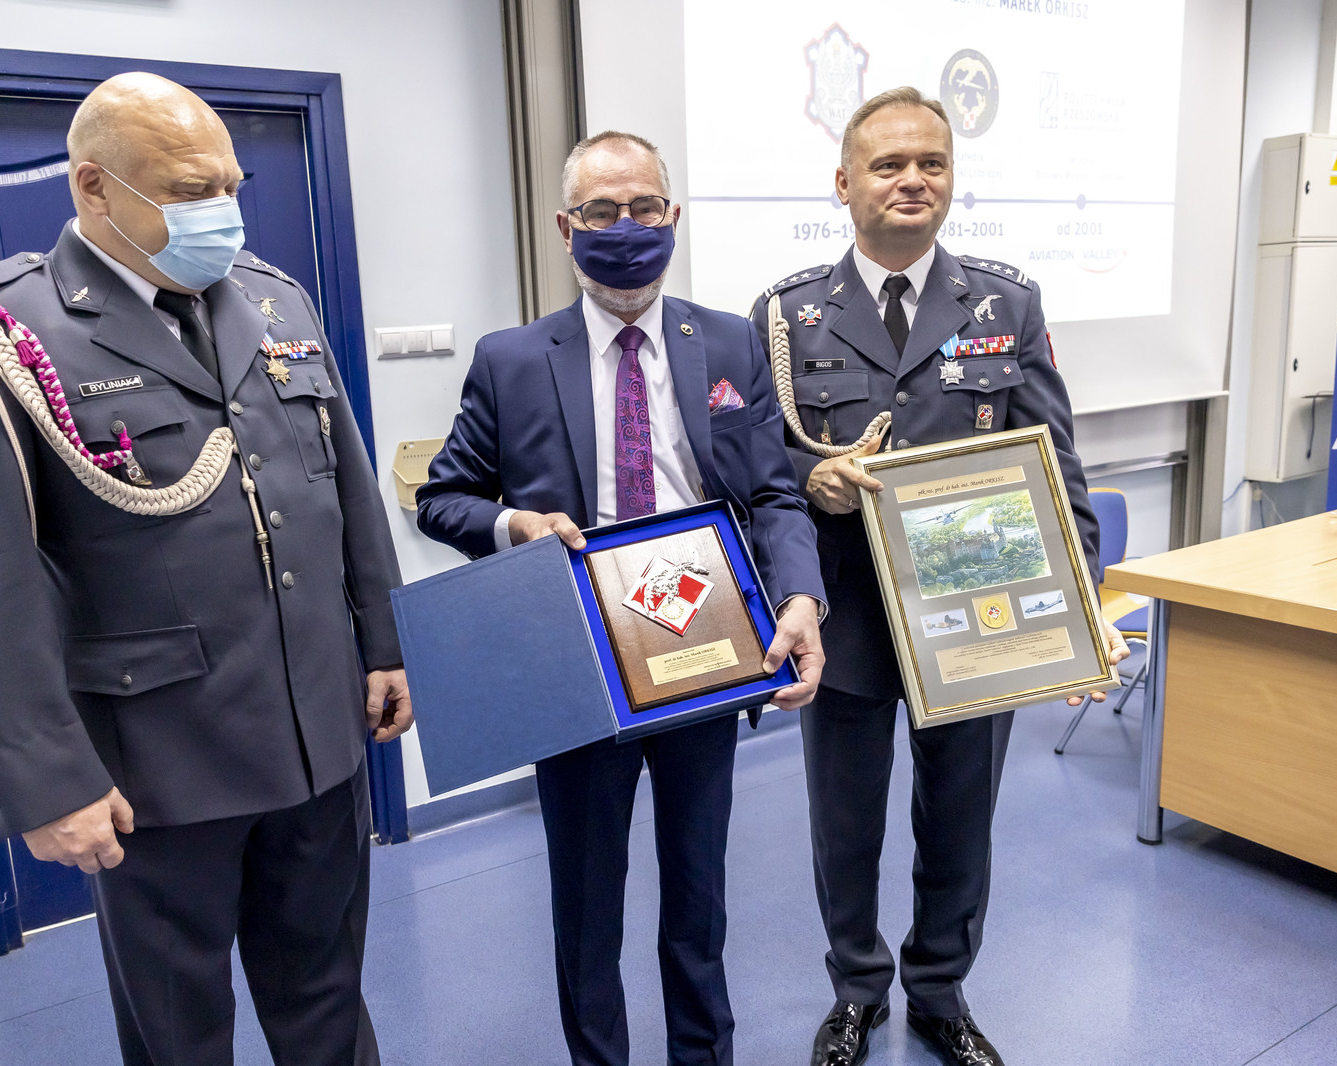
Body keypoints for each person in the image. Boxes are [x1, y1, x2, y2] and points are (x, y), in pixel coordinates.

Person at [0, 73, 410, 1066]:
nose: (220, 209)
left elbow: (341, 485)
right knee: (180, 1039)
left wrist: (384, 643)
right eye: (188, 190)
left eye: (229, 185)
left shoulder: (273, 298)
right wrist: (46, 779)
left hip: (317, 734)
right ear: (94, 187)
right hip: (159, 766)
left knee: (329, 1006)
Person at [416, 130, 826, 1066]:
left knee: (699, 897)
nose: (626, 226)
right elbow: (444, 498)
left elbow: (773, 494)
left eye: (643, 207)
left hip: (707, 650)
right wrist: (513, 525)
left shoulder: (727, 341)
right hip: (577, 665)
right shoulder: (512, 359)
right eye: (601, 211)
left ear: (672, 216)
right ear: (568, 229)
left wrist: (800, 596)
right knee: (587, 906)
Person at [750, 87, 1128, 1066]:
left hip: (977, 613)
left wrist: (1082, 605)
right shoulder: (787, 315)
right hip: (845, 617)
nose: (912, 179)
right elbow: (757, 466)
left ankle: (939, 992)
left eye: (932, 163)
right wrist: (813, 478)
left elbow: (1056, 465)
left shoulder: (1006, 303)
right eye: (888, 164)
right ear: (843, 183)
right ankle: (855, 991)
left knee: (960, 818)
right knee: (844, 823)